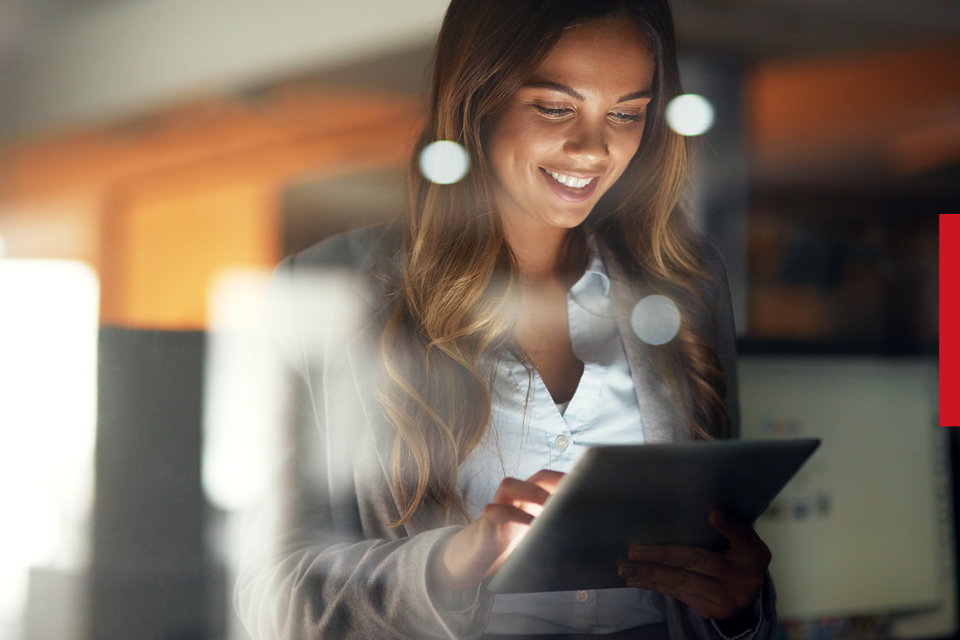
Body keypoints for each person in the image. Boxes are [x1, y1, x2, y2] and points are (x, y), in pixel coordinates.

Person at [235, 0, 777, 638]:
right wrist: (451, 564)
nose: (594, 149)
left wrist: (741, 606)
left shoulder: (687, 286)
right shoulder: (336, 290)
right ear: (476, 101)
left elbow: (726, 558)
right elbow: (269, 594)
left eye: (627, 114)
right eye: (554, 107)